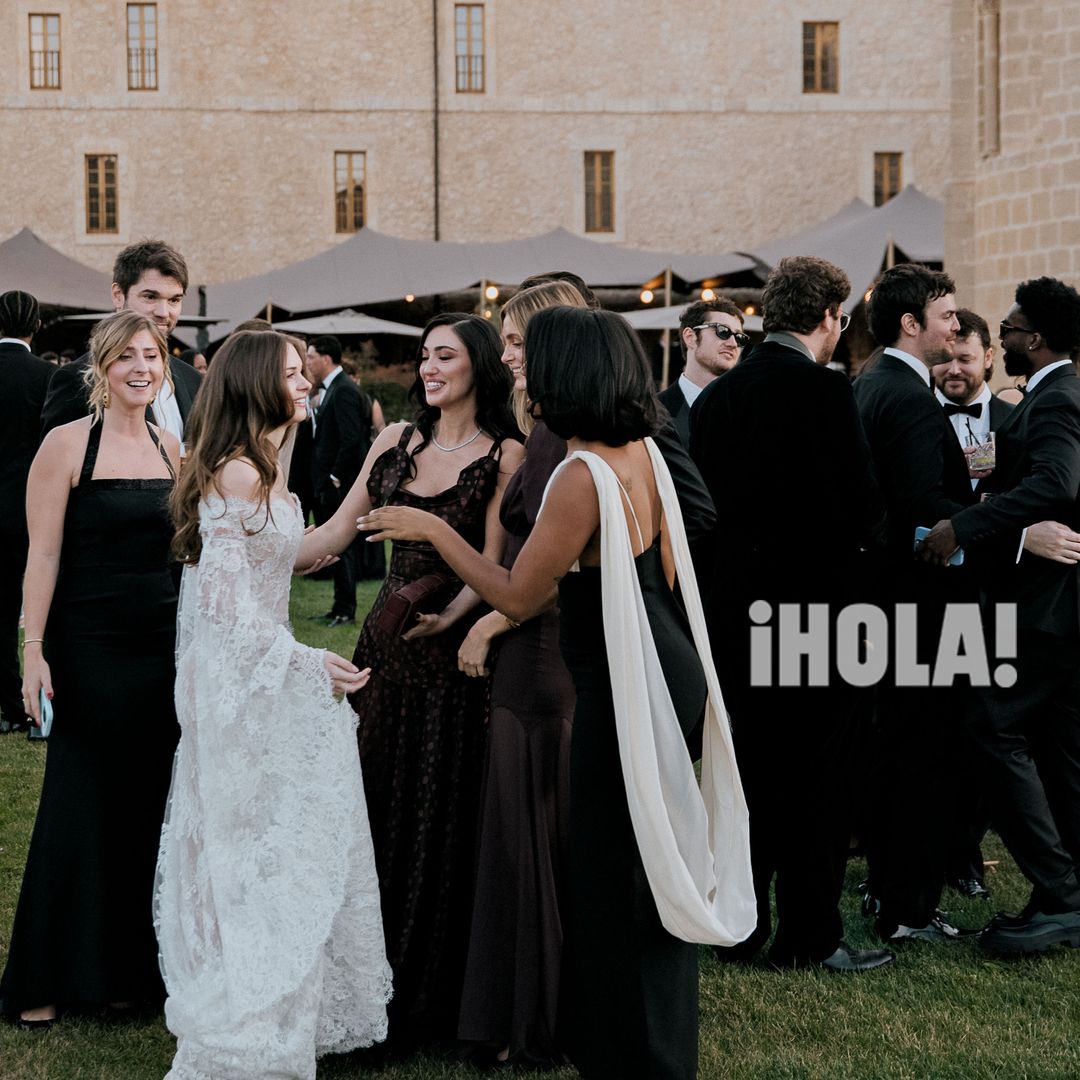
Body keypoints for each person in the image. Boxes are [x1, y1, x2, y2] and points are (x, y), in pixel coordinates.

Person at [359, 306, 756, 1080]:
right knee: (642, 865)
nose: (523, 372)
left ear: (565, 372)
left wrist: (434, 532)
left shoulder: (582, 474)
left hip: (620, 679)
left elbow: (517, 592)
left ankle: (634, 1059)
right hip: (661, 660)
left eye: (533, 358)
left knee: (614, 879)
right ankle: (641, 1048)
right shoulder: (640, 448)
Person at [154, 329, 391, 1079]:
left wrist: (373, 470)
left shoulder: (264, 462)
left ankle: (282, 990)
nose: (304, 382)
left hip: (259, 669)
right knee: (251, 837)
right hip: (239, 681)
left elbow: (299, 551)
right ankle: (248, 997)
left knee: (276, 832)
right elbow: (223, 607)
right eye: (291, 373)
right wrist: (306, 660)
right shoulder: (236, 471)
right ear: (258, 382)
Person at [298, 313, 524, 1049]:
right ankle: (359, 983)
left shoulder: (506, 454)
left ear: (479, 365)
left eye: (444, 356)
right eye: (424, 355)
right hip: (384, 652)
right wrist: (246, 547)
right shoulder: (394, 441)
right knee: (371, 804)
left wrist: (451, 615)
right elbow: (335, 532)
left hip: (455, 659)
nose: (428, 368)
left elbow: (495, 567)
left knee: (441, 814)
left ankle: (431, 997)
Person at [690, 256, 891, 972]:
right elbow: (859, 508)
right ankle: (810, 937)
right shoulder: (825, 391)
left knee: (749, 775)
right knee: (821, 780)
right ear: (830, 318)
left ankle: (741, 929)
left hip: (736, 618)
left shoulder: (715, 399)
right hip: (818, 615)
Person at [1, 311, 181, 1028]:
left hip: (162, 649)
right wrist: (33, 649)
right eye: (127, 356)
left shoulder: (172, 446)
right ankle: (43, 978)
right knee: (77, 806)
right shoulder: (66, 443)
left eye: (152, 356)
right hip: (90, 645)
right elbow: (42, 555)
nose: (142, 368)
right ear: (102, 368)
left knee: (144, 806)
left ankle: (123, 978)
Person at [920, 277, 1080, 953]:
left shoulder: (1056, 397)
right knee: (1061, 750)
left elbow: (1057, 482)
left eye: (1009, 329)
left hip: (1047, 608)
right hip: (1056, 608)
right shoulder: (1057, 392)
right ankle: (1065, 892)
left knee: (990, 723)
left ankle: (1062, 894)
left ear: (1032, 338)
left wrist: (968, 525)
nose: (1004, 336)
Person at [453, 280, 585, 1068]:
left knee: (529, 832)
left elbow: (565, 565)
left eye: (514, 341)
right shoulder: (542, 431)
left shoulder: (566, 439)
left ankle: (529, 1017)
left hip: (541, 656)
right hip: (529, 650)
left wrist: (493, 620)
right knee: (522, 830)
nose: (503, 354)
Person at [853, 263, 974, 945]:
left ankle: (887, 888)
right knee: (924, 756)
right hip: (921, 607)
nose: (955, 327)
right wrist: (985, 529)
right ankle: (909, 908)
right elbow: (924, 511)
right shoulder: (908, 399)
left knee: (891, 751)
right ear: (910, 322)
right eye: (947, 315)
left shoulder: (870, 382)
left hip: (879, 601)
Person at [930, 307, 1013, 899]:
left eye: (964, 358)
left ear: (988, 357)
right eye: (945, 359)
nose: (952, 369)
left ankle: (965, 854)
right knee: (935, 730)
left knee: (989, 730)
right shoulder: (916, 415)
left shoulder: (1017, 420)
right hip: (935, 595)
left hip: (1002, 593)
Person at [40, 240, 204, 443]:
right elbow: (56, 456)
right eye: (150, 297)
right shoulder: (76, 379)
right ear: (118, 295)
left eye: (174, 300)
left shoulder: (193, 380)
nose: (163, 312)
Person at [0, 290, 53, 736]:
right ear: (36, 327)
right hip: (36, 506)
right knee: (45, 608)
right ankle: (42, 707)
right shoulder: (47, 377)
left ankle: (8, 706)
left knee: (1, 611)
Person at [306, 335, 373, 625]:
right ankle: (338, 607)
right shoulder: (333, 387)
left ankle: (346, 610)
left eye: (310, 357)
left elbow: (352, 438)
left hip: (339, 484)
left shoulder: (344, 389)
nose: (308, 363)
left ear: (326, 358)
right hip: (327, 482)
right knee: (333, 547)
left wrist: (334, 476)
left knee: (342, 547)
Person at [659, 297, 748, 444]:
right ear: (690, 337)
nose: (733, 344)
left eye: (739, 337)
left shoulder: (749, 411)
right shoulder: (653, 413)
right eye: (723, 331)